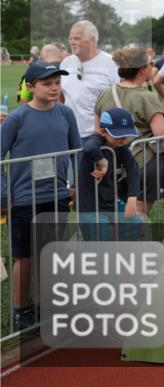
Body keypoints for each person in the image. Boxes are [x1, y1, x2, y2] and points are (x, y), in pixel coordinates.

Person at [0, 62, 80, 329]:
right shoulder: (17, 118)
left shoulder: (66, 114)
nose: (54, 88)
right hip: (23, 199)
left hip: (56, 195)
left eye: (57, 83)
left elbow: (76, 151)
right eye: (47, 83)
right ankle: (21, 309)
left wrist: (75, 184)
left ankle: (46, 305)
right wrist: (3, 195)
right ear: (31, 87)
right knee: (26, 256)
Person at [93, 48, 164, 217]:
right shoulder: (147, 97)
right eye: (150, 63)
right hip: (143, 161)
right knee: (138, 214)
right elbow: (161, 134)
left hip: (113, 163)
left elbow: (98, 130)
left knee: (117, 213)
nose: (152, 66)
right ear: (142, 69)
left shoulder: (105, 93)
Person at [77, 108, 143, 241]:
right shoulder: (96, 140)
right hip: (91, 208)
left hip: (111, 204)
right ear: (102, 131)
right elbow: (89, 148)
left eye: (126, 136)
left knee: (134, 222)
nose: (123, 140)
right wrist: (103, 162)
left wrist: (132, 198)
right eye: (118, 135)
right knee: (101, 238)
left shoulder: (120, 147)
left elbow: (133, 169)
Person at [60, 20, 119, 138]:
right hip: (69, 134)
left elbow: (120, 99)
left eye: (77, 38)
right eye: (70, 38)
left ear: (92, 40)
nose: (72, 42)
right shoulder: (66, 63)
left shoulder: (112, 63)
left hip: (99, 135)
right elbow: (61, 96)